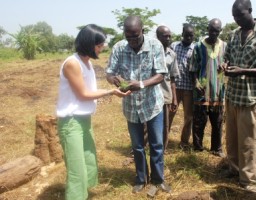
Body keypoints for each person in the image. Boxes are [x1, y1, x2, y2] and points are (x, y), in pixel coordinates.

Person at [56, 24, 130, 200]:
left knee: (88, 159)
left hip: (83, 120)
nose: (102, 47)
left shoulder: (86, 62)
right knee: (77, 168)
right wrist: (111, 92)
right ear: (89, 44)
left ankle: (84, 195)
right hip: (71, 121)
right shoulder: (72, 64)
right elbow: (83, 94)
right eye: (99, 45)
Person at [106, 16, 171, 196]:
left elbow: (161, 75)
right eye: (128, 37)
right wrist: (115, 79)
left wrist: (141, 84)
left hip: (152, 104)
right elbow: (109, 72)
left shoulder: (155, 46)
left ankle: (158, 179)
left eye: (135, 36)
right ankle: (141, 179)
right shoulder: (119, 47)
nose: (132, 40)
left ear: (143, 30)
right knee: (137, 146)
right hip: (131, 106)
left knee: (157, 144)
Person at [221, 0, 256, 192]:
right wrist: (225, 66)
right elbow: (227, 58)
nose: (237, 20)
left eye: (240, 16)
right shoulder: (234, 35)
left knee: (248, 142)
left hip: (250, 97)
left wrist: (242, 70)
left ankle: (248, 180)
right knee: (232, 138)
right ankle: (234, 169)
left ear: (250, 11)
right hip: (232, 95)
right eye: (234, 17)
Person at [190, 18, 226, 157]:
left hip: (218, 91)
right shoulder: (198, 46)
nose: (213, 33)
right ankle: (198, 148)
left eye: (216, 31)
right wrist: (196, 83)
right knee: (199, 122)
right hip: (201, 92)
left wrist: (226, 66)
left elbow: (228, 63)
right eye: (211, 30)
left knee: (217, 123)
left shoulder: (224, 46)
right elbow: (192, 69)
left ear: (220, 31)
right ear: (207, 29)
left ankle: (216, 149)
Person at [169, 23, 195, 150]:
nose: (189, 38)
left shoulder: (195, 49)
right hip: (174, 87)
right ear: (182, 34)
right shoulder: (174, 46)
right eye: (186, 35)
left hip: (189, 88)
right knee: (169, 114)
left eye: (191, 35)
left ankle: (184, 142)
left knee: (188, 117)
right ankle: (164, 139)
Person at [156, 25, 180, 153]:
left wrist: (174, 99)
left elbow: (173, 78)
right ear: (158, 37)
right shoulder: (151, 53)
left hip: (165, 95)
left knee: (165, 126)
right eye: (165, 36)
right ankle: (142, 148)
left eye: (170, 36)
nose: (169, 38)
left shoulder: (172, 55)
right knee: (146, 126)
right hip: (151, 95)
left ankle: (162, 150)